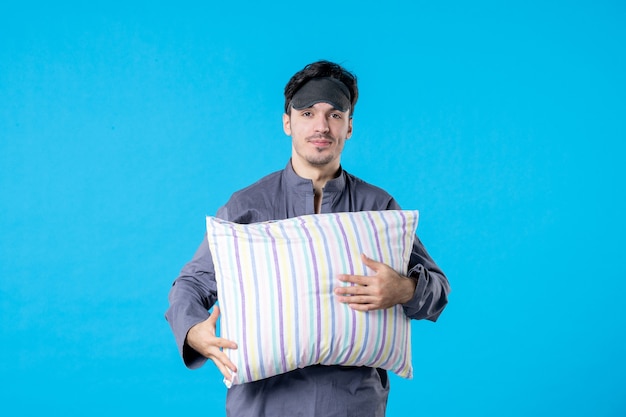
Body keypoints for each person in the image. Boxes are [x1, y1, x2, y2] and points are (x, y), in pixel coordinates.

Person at [166, 60, 450, 417]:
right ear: (287, 123)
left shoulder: (379, 209)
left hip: (353, 406)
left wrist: (404, 290)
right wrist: (194, 332)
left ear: (349, 126)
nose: (321, 126)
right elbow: (190, 284)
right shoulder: (246, 208)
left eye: (334, 115)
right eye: (307, 113)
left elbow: (438, 291)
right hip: (264, 406)